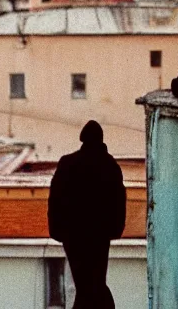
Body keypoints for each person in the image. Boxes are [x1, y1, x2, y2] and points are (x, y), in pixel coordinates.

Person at [48, 120, 126, 309]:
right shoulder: (109, 165)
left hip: (72, 235)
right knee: (94, 283)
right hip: (99, 235)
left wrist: (57, 231)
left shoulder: (67, 163)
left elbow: (55, 198)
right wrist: (114, 230)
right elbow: (119, 201)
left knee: (85, 284)